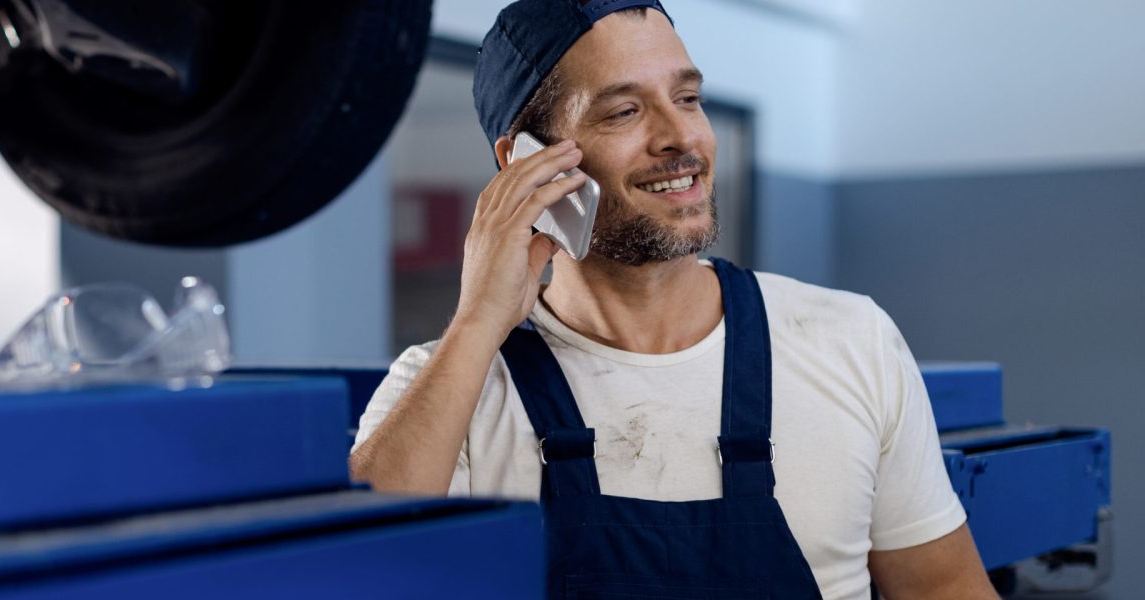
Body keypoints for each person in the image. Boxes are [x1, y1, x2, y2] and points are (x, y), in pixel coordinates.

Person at [348, 1, 998, 598]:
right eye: (624, 112)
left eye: (687, 98)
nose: (680, 137)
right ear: (525, 161)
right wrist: (476, 323)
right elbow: (355, 572)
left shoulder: (849, 339)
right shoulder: (446, 390)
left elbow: (945, 590)